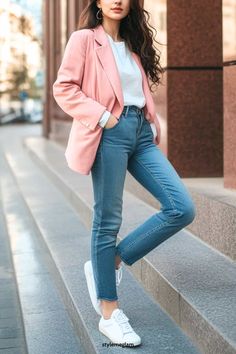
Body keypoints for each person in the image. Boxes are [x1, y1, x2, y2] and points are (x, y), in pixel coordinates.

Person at [53, 0, 196, 347]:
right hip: (109, 131)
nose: (117, 0)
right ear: (98, 2)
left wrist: (149, 121)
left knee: (181, 207)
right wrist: (105, 117)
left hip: (140, 134)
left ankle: (111, 259)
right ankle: (109, 314)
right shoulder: (84, 39)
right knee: (108, 219)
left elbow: (139, 90)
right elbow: (64, 87)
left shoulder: (134, 43)